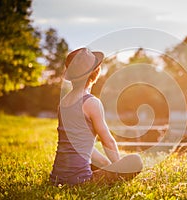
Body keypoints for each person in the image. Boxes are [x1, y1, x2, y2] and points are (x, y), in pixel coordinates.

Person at [50, 47, 143, 186]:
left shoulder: (63, 103)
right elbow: (108, 142)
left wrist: (106, 164)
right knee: (136, 161)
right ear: (95, 74)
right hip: (80, 181)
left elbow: (81, 147)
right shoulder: (91, 103)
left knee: (100, 161)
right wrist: (117, 168)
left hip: (56, 179)